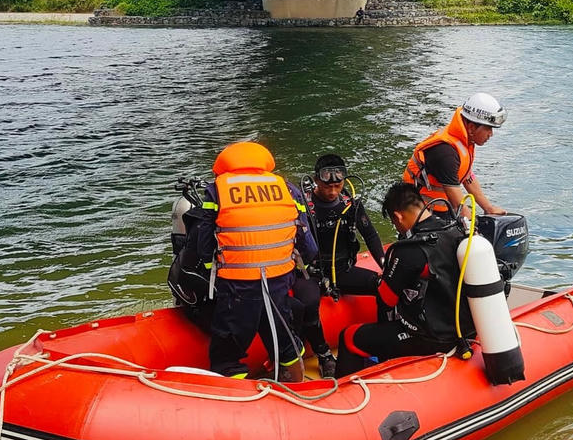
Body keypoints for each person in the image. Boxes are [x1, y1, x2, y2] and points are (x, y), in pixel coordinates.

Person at [193, 141, 317, 381]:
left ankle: (237, 397)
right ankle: (297, 381)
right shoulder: (287, 188)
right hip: (279, 280)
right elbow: (308, 245)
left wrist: (213, 272)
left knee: (227, 351)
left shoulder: (217, 189)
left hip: (237, 284)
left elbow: (204, 245)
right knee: (283, 335)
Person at [334, 183, 475, 377]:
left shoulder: (408, 250)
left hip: (431, 337)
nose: (398, 228)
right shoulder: (457, 231)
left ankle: (344, 396)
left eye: (395, 222)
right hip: (466, 331)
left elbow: (386, 299)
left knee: (349, 337)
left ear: (398, 216)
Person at [290, 154, 385, 377]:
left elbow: (370, 235)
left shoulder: (350, 204)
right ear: (315, 180)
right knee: (308, 302)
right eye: (326, 186)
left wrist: (384, 264)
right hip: (311, 273)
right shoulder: (302, 205)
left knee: (383, 286)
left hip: (343, 270)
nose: (332, 191)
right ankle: (323, 355)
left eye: (337, 185)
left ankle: (384, 338)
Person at [403, 92, 509, 217]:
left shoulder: (464, 140)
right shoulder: (445, 153)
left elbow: (468, 177)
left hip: (438, 208)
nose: (491, 134)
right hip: (418, 212)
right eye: (488, 128)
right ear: (471, 127)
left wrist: (488, 208)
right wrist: (473, 229)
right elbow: (458, 203)